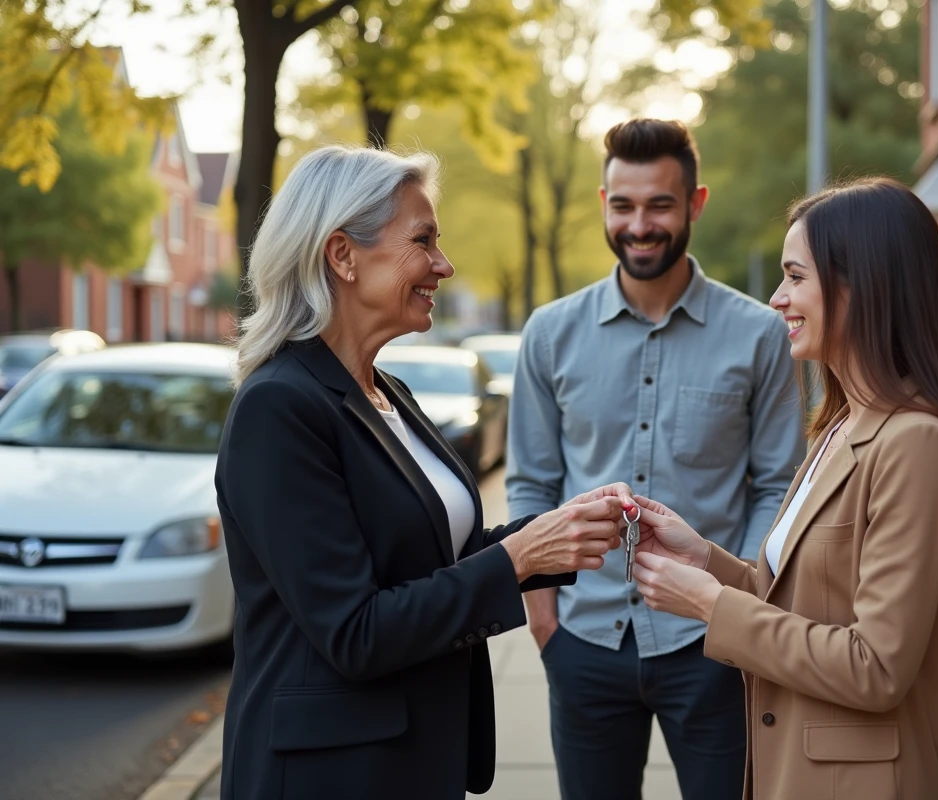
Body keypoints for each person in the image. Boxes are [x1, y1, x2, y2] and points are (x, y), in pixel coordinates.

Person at [213, 144, 632, 800]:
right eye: (424, 240)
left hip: (407, 758)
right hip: (333, 776)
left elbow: (438, 561)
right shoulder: (279, 408)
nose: (445, 264)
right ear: (342, 254)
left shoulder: (385, 392)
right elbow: (354, 632)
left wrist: (564, 533)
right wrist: (518, 560)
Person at [629, 178, 938, 800]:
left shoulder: (915, 444)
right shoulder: (839, 426)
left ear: (864, 287)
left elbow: (876, 667)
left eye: (795, 277)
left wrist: (708, 606)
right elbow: (799, 605)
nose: (777, 298)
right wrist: (705, 561)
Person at [506, 118, 805, 800]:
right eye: (623, 205)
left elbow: (778, 483)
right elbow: (531, 481)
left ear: (694, 203)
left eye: (660, 205)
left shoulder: (759, 334)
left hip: (712, 644)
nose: (640, 225)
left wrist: (740, 603)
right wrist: (544, 617)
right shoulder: (550, 334)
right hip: (582, 640)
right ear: (604, 203)